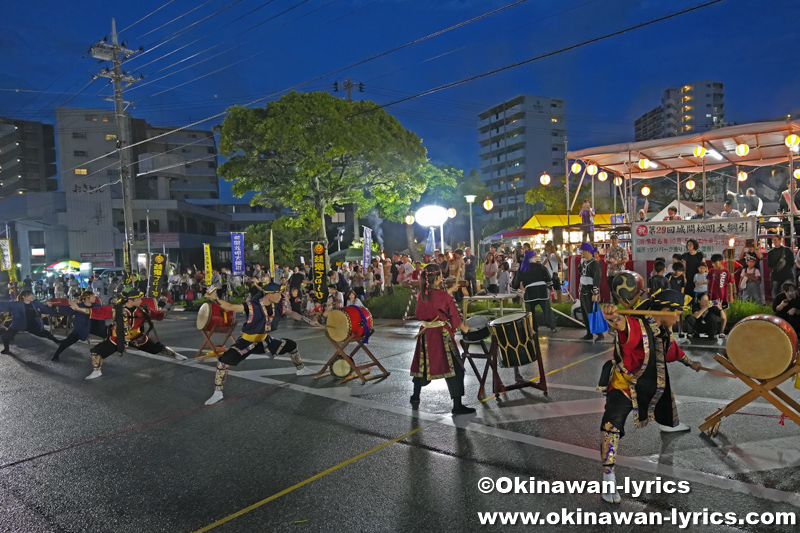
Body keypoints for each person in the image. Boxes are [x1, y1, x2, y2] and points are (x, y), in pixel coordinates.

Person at [599, 290, 702, 503]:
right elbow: (622, 325)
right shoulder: (637, 325)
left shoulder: (663, 328)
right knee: (612, 425)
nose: (679, 317)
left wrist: (690, 363)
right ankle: (608, 476)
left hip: (650, 381)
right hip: (625, 384)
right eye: (678, 313)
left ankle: (669, 424)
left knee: (664, 398)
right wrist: (612, 316)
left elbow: (671, 349)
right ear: (665, 311)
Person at [203, 283, 319, 405]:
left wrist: (309, 321)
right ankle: (217, 393)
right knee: (223, 363)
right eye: (278, 294)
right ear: (269, 295)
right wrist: (215, 298)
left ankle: (300, 369)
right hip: (246, 343)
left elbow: (290, 313)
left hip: (264, 341)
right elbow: (230, 306)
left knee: (292, 345)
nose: (281, 296)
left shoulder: (277, 305)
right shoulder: (252, 306)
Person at [79, 289, 187, 380]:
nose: (141, 301)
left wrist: (171, 317)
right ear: (130, 301)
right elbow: (98, 312)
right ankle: (97, 371)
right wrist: (79, 308)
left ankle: (175, 355)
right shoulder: (116, 309)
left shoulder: (143, 309)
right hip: (118, 338)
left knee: (157, 348)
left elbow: (157, 315)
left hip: (137, 337)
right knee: (96, 351)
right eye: (138, 299)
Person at [410, 265, 475, 416]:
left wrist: (449, 292)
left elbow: (430, 304)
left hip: (425, 335)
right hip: (441, 336)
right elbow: (453, 317)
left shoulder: (421, 294)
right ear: (439, 278)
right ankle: (457, 406)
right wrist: (462, 328)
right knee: (455, 370)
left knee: (422, 367)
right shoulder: (445, 297)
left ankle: (415, 396)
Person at [52, 291, 108, 361]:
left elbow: (104, 315)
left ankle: (99, 356)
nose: (95, 298)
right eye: (93, 297)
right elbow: (66, 309)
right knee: (66, 343)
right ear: (87, 299)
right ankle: (55, 356)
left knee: (109, 337)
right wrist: (54, 306)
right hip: (80, 329)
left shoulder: (97, 306)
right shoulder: (78, 306)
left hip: (95, 329)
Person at [0, 290, 59, 355]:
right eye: (30, 295)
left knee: (44, 333)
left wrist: (50, 306)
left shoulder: (35, 304)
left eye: (32, 294)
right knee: (5, 336)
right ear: (24, 296)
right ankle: (6, 349)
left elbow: (46, 309)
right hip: (18, 323)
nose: (32, 296)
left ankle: (56, 340)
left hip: (32, 324)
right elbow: (3, 304)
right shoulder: (16, 304)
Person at [512, 250, 556, 332]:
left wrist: (514, 288)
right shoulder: (540, 266)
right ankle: (552, 326)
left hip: (530, 292)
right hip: (542, 291)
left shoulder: (523, 268)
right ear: (533, 257)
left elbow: (516, 282)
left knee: (530, 312)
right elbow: (549, 280)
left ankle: (533, 328)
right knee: (547, 310)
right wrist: (549, 286)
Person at [578, 242, 603, 342]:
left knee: (593, 313)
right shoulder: (584, 263)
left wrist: (595, 292)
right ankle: (589, 333)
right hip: (583, 290)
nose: (581, 253)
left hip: (590, 291)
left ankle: (600, 334)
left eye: (583, 251)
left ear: (588, 251)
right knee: (585, 313)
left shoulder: (595, 264)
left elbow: (597, 278)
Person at [767, 235, 794, 299]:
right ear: (772, 241)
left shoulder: (787, 250)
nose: (775, 241)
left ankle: (787, 306)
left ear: (780, 240)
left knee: (786, 291)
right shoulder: (770, 253)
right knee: (775, 291)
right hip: (776, 275)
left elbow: (792, 262)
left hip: (787, 275)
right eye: (774, 240)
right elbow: (769, 265)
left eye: (777, 240)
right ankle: (776, 305)